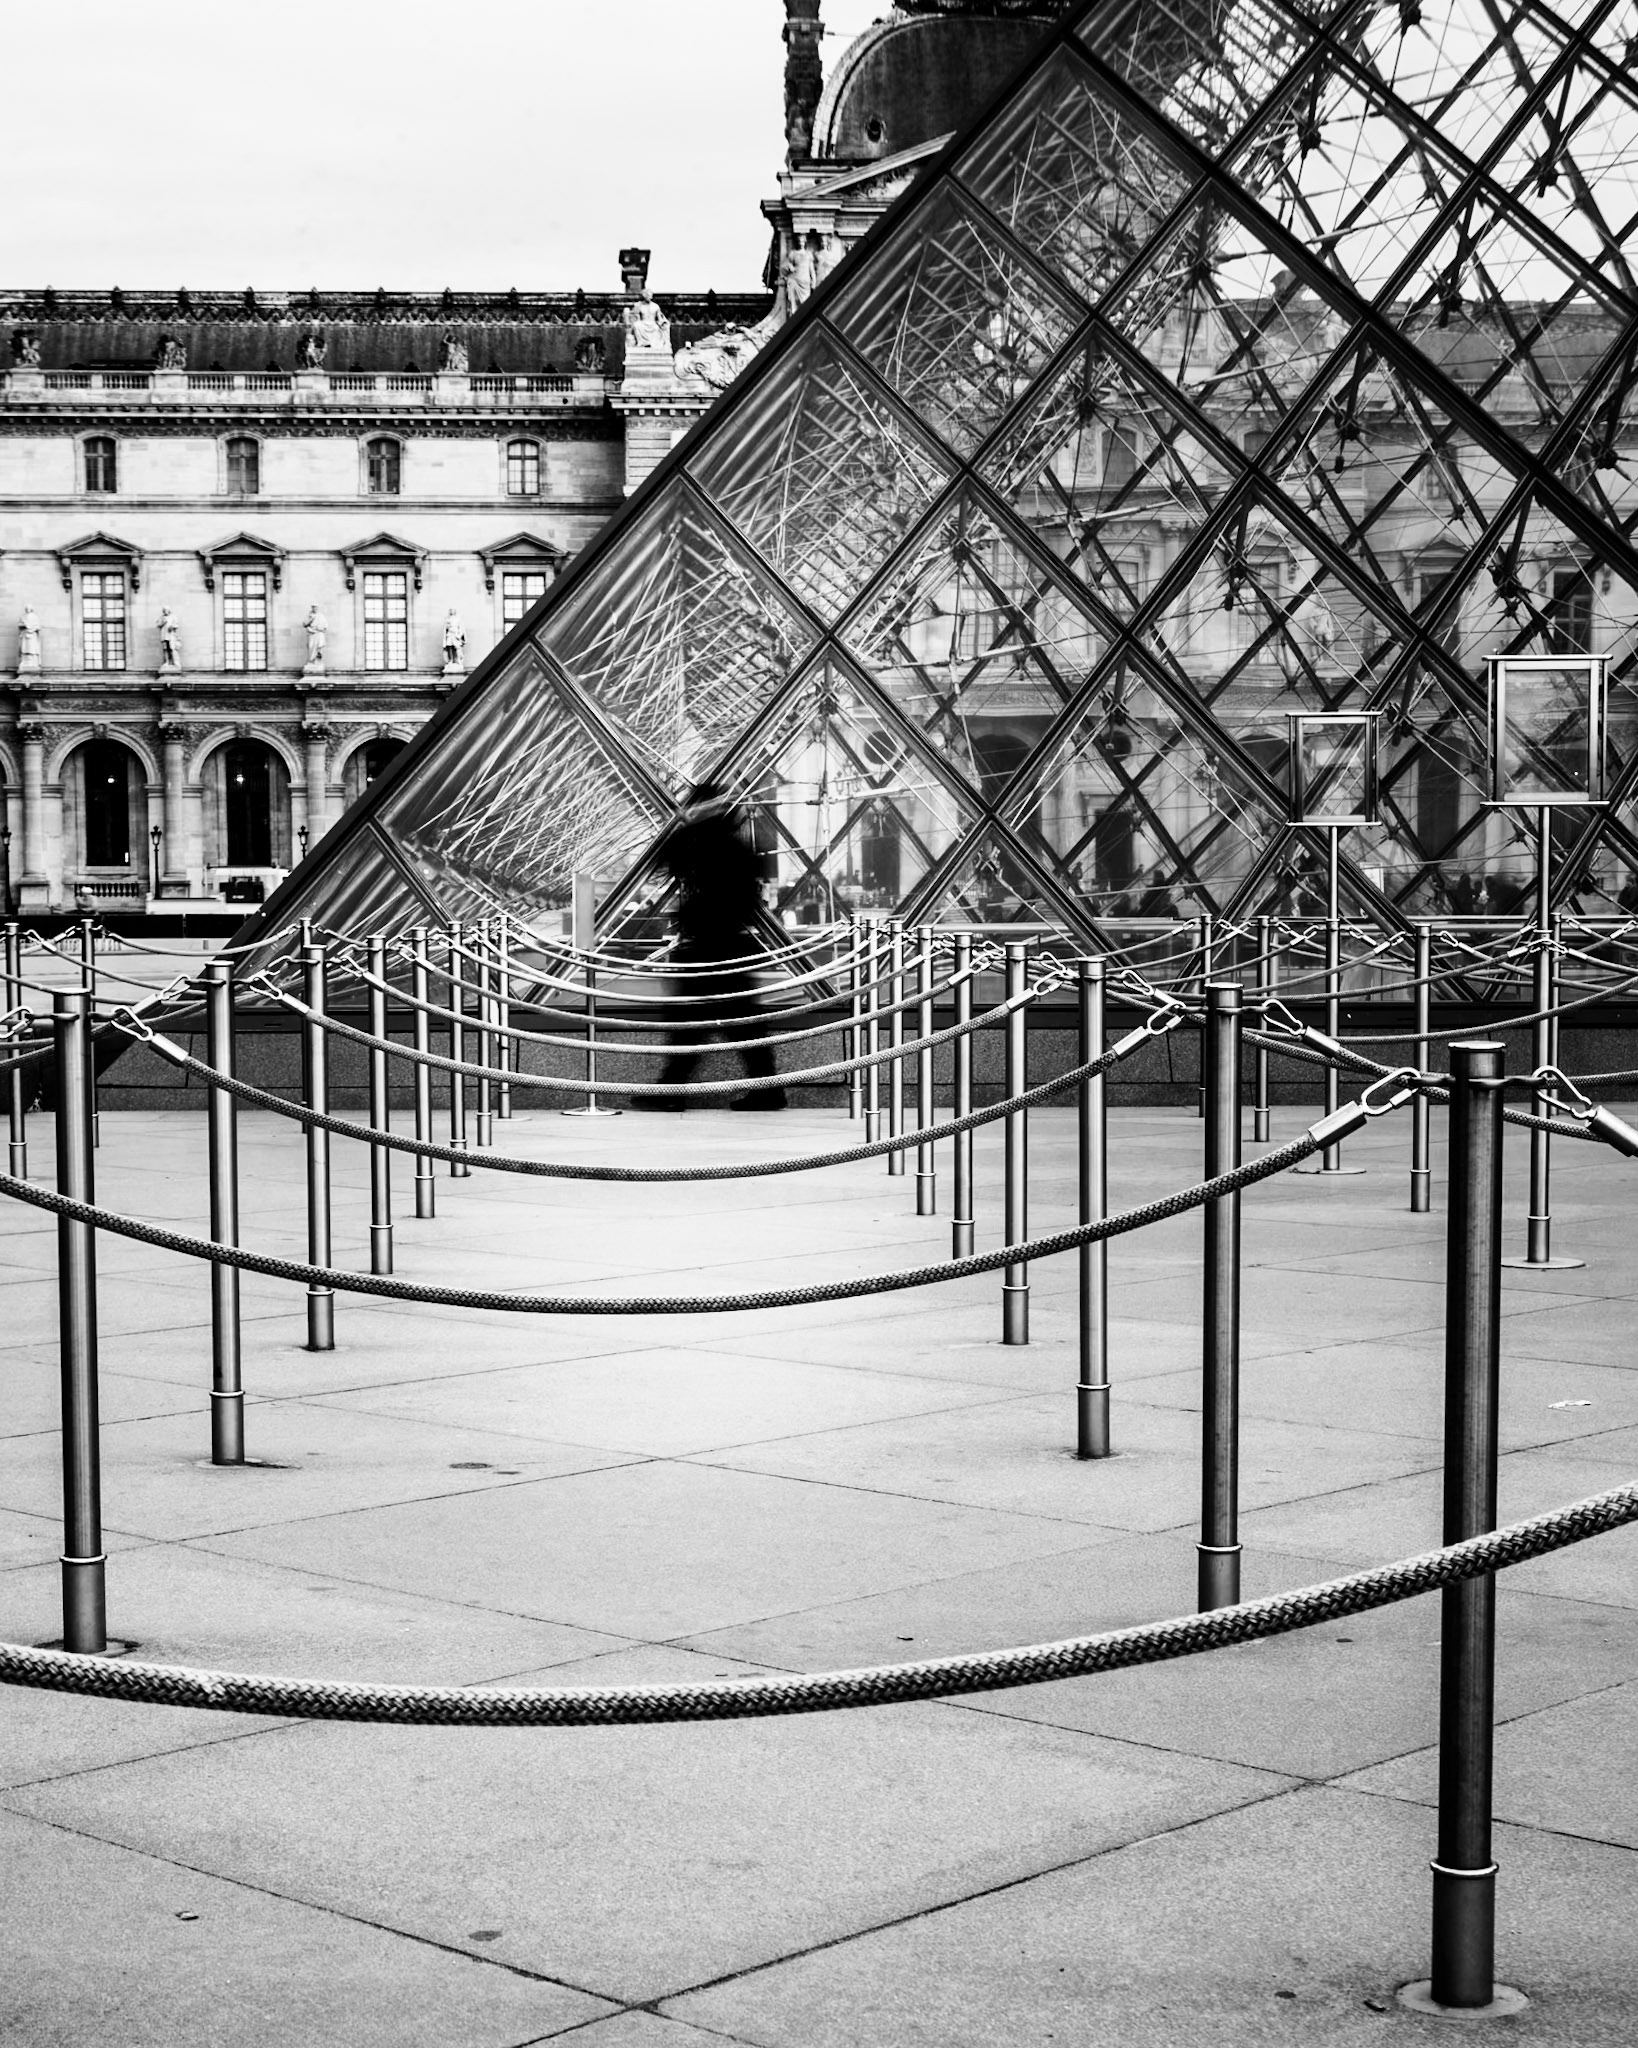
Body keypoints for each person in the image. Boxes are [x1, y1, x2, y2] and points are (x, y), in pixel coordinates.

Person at [640, 782, 786, 1111]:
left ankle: (673, 1091)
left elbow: (663, 855)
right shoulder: (733, 844)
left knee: (694, 1024)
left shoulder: (705, 842)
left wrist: (688, 821)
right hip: (728, 945)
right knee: (738, 1024)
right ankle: (766, 1088)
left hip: (710, 946)